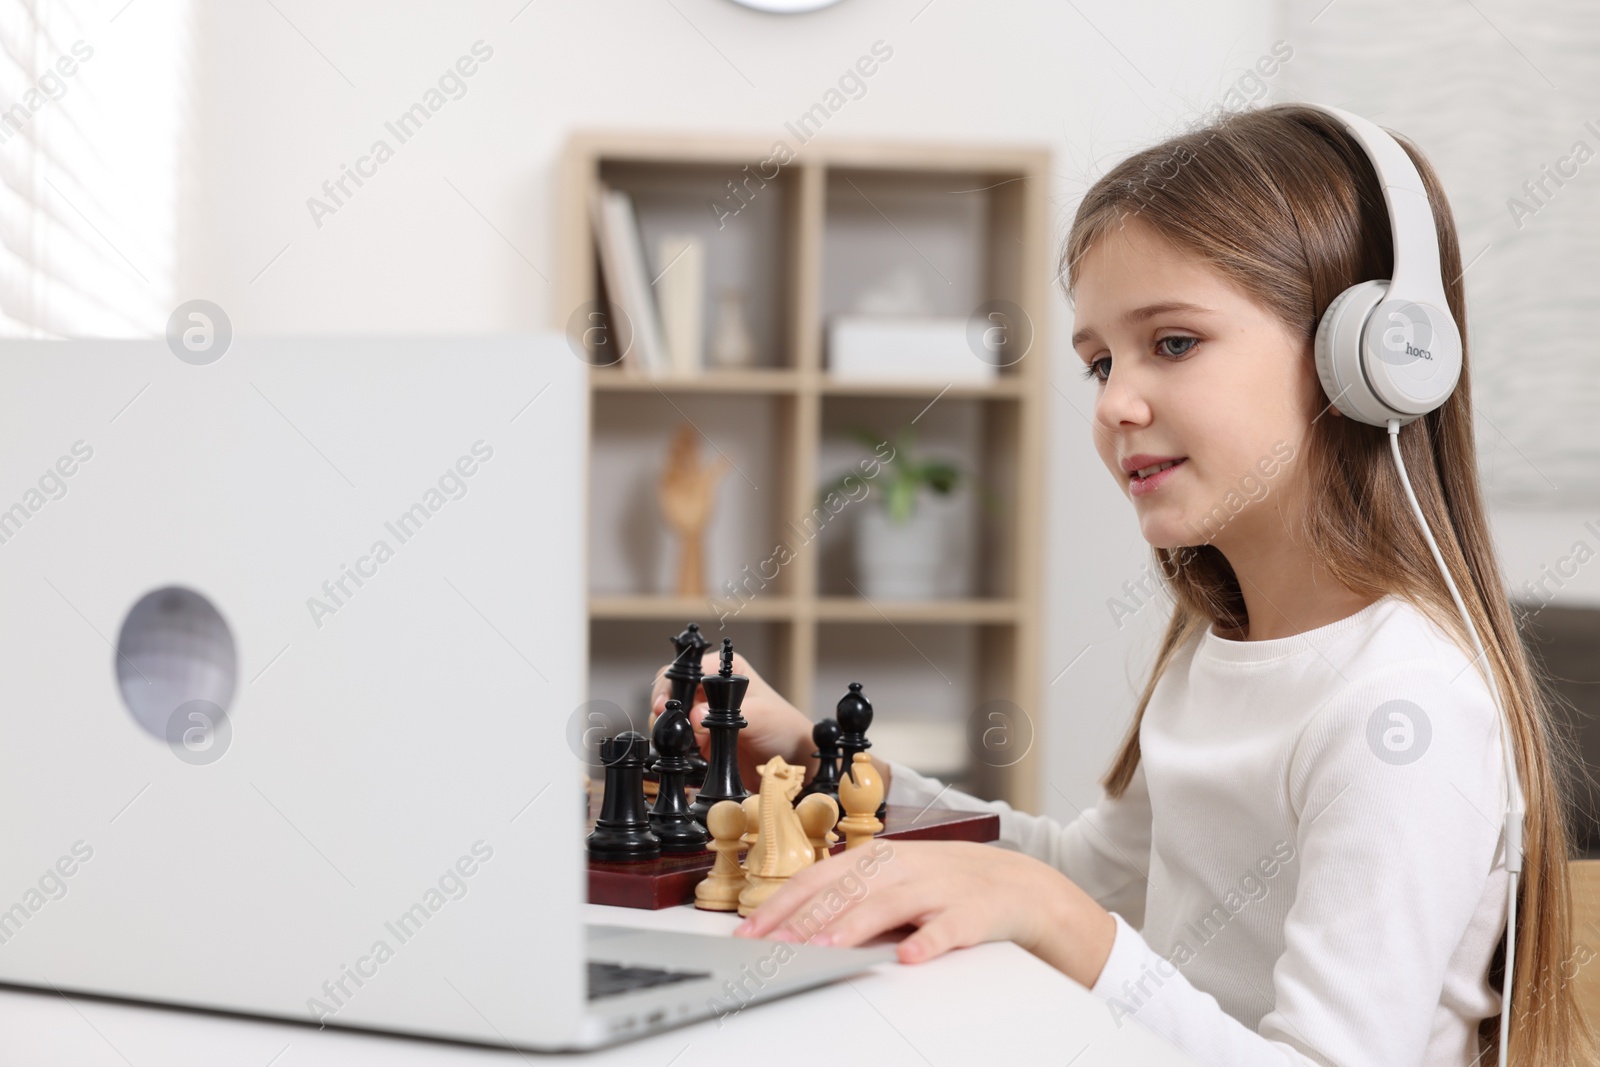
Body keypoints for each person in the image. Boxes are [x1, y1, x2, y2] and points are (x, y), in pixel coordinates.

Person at [650, 104, 1593, 1066]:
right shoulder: (1222, 646)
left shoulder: (1402, 709)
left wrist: (1060, 920)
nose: (1113, 403)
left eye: (1173, 343)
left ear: (1370, 357)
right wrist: (823, 757)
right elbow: (1085, 877)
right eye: (1099, 360)